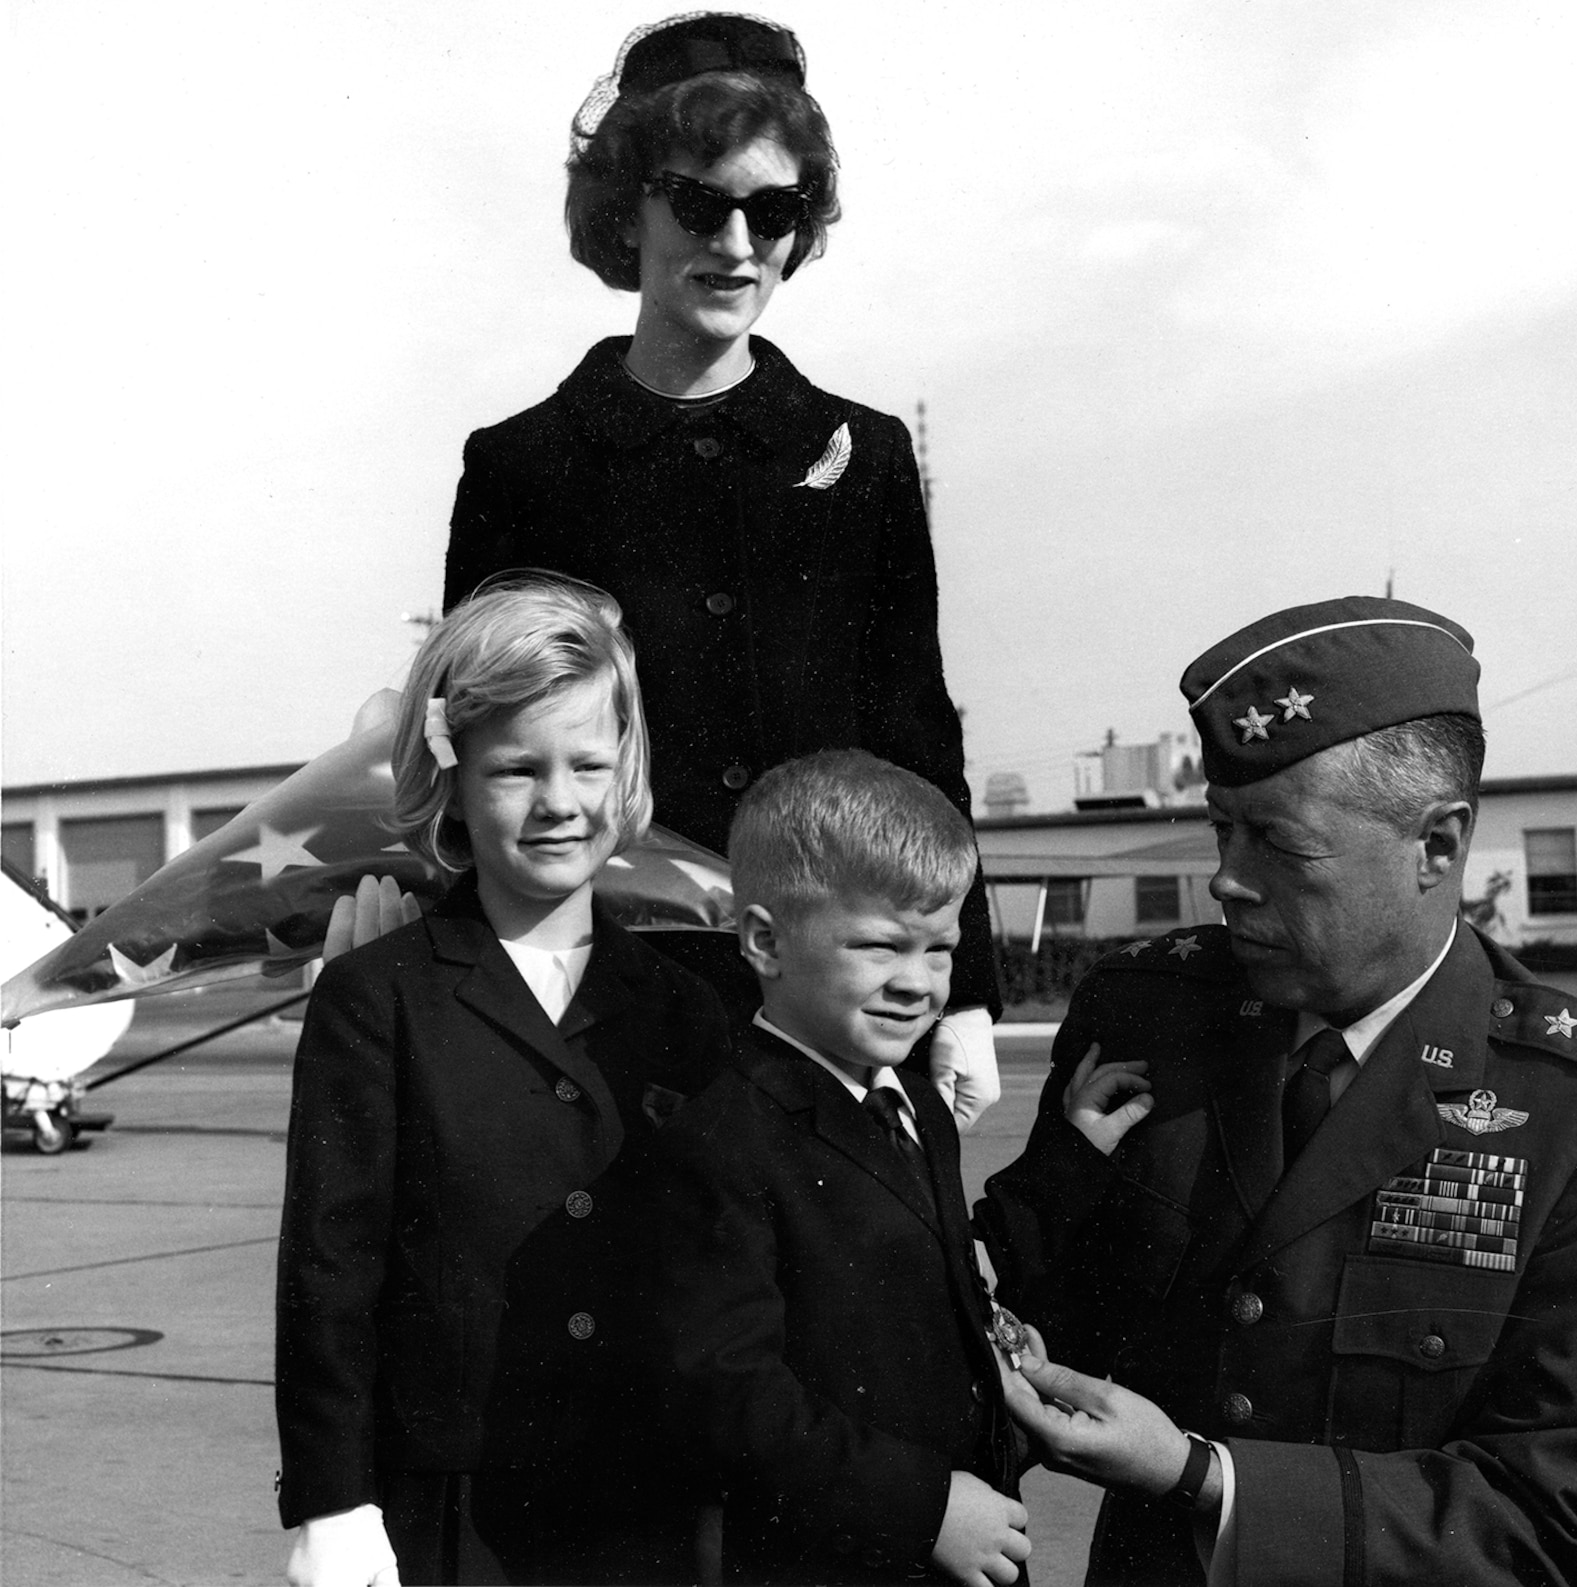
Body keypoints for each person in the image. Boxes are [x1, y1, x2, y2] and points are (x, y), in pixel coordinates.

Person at [978, 597, 1577, 1586]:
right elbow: (1027, 1318)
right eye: (1220, 831)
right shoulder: (1147, 1017)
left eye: (1279, 846)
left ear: (1435, 845)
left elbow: (1556, 1513)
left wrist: (1205, 1478)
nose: (1225, 882)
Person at [439, 13, 1000, 1127]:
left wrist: (966, 992)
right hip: (600, 1002)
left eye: (773, 211)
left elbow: (915, 736)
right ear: (627, 209)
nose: (737, 243)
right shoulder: (521, 468)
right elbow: (478, 744)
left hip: (833, 994)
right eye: (699, 202)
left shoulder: (863, 457)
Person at [275, 575, 733, 1586]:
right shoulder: (375, 1001)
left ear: (628, 773)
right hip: (448, 1513)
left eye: (588, 764)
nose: (560, 802)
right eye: (516, 770)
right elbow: (327, 1272)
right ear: (450, 779)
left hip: (648, 1503)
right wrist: (330, 1500)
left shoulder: (686, 1012)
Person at [652, 750, 1029, 1585]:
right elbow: (728, 1394)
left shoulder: (918, 1106)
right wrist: (924, 1506)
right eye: (880, 945)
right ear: (763, 940)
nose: (918, 984)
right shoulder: (721, 1137)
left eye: (940, 950)